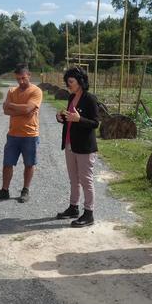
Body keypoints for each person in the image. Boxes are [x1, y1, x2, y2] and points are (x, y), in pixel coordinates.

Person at [0, 63, 43, 203]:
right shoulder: (12, 91)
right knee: (7, 163)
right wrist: (21, 109)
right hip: (13, 134)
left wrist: (12, 106)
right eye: (18, 79)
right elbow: (6, 111)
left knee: (29, 164)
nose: (21, 81)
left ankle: (25, 190)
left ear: (29, 75)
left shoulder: (36, 91)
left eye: (23, 78)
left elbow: (26, 109)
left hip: (30, 134)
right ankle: (4, 190)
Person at [55, 66, 100, 227]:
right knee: (73, 179)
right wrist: (62, 118)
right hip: (70, 144)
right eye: (67, 82)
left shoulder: (90, 99)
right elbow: (70, 119)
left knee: (86, 180)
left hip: (85, 147)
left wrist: (79, 119)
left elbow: (95, 123)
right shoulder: (71, 97)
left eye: (71, 82)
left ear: (81, 81)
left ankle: (89, 214)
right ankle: (73, 207)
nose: (68, 85)